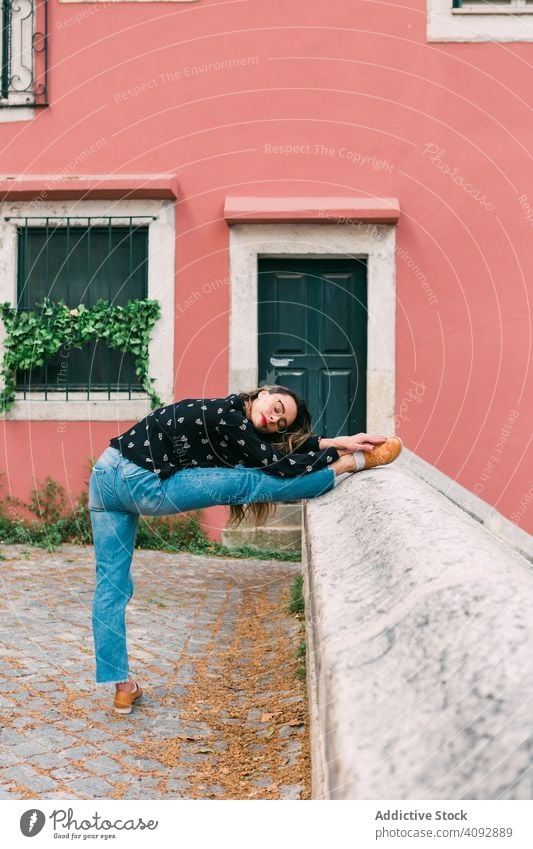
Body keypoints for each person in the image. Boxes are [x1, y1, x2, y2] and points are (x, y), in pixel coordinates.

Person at [89, 385, 402, 714]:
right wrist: (341, 456)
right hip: (143, 484)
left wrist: (331, 442)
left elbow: (269, 447)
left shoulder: (230, 419)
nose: (275, 420)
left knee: (110, 585)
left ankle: (123, 687)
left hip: (105, 475)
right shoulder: (229, 418)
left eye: (282, 424)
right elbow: (278, 463)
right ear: (264, 392)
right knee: (250, 482)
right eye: (278, 407)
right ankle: (352, 465)